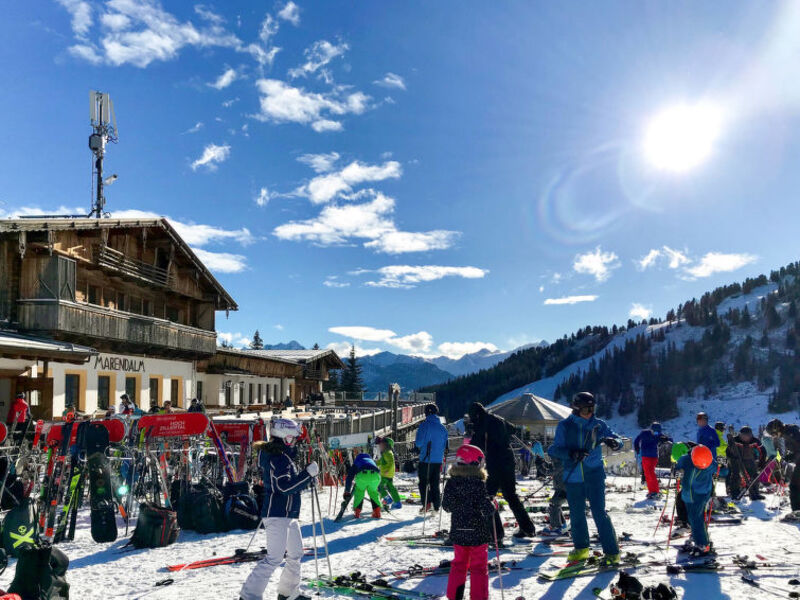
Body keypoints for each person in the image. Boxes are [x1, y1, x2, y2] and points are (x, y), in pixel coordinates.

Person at [239, 418, 318, 600]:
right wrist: (307, 474)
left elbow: (289, 485)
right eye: (293, 438)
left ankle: (288, 593)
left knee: (296, 553)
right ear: (285, 437)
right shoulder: (279, 459)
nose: (295, 441)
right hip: (277, 514)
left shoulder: (283, 457)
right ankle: (248, 596)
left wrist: (307, 479)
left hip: (288, 514)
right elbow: (284, 487)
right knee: (274, 558)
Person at [547, 392, 623, 564]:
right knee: (576, 514)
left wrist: (614, 442)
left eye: (592, 408)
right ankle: (581, 549)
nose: (589, 412)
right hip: (573, 475)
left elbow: (616, 437)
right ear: (575, 409)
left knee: (599, 513)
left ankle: (612, 552)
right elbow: (554, 450)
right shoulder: (565, 426)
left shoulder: (598, 424)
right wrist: (572, 453)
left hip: (594, 474)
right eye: (585, 409)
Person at [468, 402, 536, 540]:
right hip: (508, 459)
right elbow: (513, 429)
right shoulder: (497, 418)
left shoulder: (481, 424)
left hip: (494, 462)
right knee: (511, 495)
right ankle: (527, 528)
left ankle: (496, 533)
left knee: (487, 497)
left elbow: (474, 446)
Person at [442, 444, 495, 600]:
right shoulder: (478, 484)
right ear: (474, 463)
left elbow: (446, 506)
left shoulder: (452, 483)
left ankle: (454, 596)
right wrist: (492, 505)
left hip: (459, 531)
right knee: (478, 567)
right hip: (477, 532)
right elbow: (486, 508)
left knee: (459, 565)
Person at [675, 445, 716, 557]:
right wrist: (677, 472)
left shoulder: (710, 461)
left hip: (702, 494)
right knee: (692, 517)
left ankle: (703, 544)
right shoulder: (685, 460)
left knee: (696, 518)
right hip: (688, 494)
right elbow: (676, 468)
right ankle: (698, 536)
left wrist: (724, 465)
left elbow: (721, 470)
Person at [414, 404, 449, 515]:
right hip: (438, 459)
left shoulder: (424, 425)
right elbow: (445, 445)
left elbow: (419, 443)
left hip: (426, 459)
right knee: (435, 483)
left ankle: (427, 504)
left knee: (423, 483)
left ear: (426, 413)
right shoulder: (443, 428)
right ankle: (436, 506)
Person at [766, 419, 800, 510]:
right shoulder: (788, 432)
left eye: (773, 434)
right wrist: (790, 456)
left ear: (776, 429)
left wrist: (792, 457)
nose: (773, 436)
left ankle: (797, 511)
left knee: (795, 486)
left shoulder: (790, 432)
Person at [633, 422, 672, 499]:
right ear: (651, 430)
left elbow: (670, 439)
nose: (656, 434)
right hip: (645, 456)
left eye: (658, 432)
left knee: (651, 473)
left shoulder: (659, 435)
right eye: (655, 432)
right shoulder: (644, 433)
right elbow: (636, 440)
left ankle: (655, 491)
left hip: (653, 457)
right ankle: (651, 491)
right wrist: (637, 448)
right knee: (647, 474)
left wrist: (666, 439)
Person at [726, 426, 766, 501]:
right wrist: (732, 458)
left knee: (754, 476)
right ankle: (735, 493)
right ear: (740, 435)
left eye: (747, 436)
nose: (745, 438)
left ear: (751, 435)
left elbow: (763, 452)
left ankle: (755, 493)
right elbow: (728, 451)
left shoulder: (755, 441)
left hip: (749, 459)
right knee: (735, 475)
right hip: (736, 459)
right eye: (743, 436)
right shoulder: (735, 440)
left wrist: (762, 463)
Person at [343, 452, 382, 518]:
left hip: (362, 476)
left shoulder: (357, 462)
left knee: (359, 492)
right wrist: (380, 489)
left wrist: (347, 491)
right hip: (375, 476)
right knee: (373, 492)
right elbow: (378, 472)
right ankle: (377, 512)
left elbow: (349, 477)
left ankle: (357, 512)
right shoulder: (371, 461)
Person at [542, 454, 568, 535]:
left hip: (563, 489)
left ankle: (556, 527)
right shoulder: (558, 463)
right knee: (555, 504)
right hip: (560, 489)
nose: (551, 459)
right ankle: (562, 524)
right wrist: (543, 462)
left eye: (551, 457)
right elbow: (551, 467)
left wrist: (540, 466)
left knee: (554, 504)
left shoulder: (560, 464)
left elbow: (548, 472)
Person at [376, 437, 402, 510]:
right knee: (391, 488)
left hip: (385, 474)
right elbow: (380, 462)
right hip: (389, 474)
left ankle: (387, 499)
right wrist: (373, 463)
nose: (380, 447)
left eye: (382, 445)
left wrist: (387, 470)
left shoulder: (388, 453)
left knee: (379, 486)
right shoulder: (386, 453)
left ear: (387, 445)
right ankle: (397, 502)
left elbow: (391, 462)